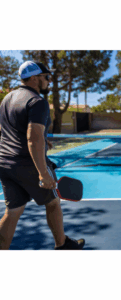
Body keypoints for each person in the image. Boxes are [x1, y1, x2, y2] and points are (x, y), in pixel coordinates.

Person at [0, 61, 85, 250]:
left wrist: (42, 141)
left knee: (13, 211)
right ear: (34, 78)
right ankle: (62, 244)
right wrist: (42, 173)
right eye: (46, 77)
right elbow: (33, 137)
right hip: (28, 164)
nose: (49, 81)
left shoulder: (7, 99)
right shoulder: (37, 101)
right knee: (53, 202)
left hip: (5, 164)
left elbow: (6, 130)